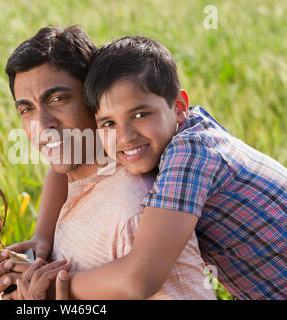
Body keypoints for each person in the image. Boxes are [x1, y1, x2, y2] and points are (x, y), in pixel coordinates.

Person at [0, 26, 216, 300]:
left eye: (58, 99)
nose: (42, 125)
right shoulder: (73, 180)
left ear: (95, 99)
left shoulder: (133, 210)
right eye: (27, 109)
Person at [31, 35, 287, 300]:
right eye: (108, 123)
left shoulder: (190, 154)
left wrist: (54, 287)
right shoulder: (174, 133)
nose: (126, 136)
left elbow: (141, 278)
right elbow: (68, 162)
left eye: (140, 115)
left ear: (179, 107)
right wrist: (42, 236)